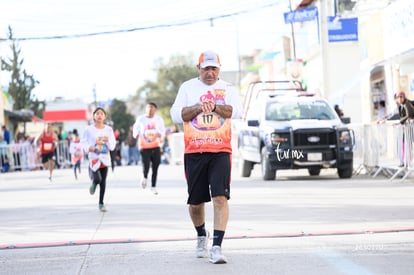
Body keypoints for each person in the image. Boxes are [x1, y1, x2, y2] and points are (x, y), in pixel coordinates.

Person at [170, 50, 242, 264]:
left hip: (220, 150)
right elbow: (176, 115)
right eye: (206, 68)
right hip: (194, 152)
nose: (209, 73)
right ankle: (202, 235)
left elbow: (237, 111)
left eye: (214, 68)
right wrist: (198, 108)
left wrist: (216, 107)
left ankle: (217, 246)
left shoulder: (228, 88)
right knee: (195, 203)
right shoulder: (187, 88)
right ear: (198, 69)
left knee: (220, 197)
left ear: (219, 69)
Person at [80, 107, 116, 212]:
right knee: (97, 179)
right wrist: (89, 147)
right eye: (97, 113)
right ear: (94, 116)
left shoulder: (108, 129)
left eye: (102, 114)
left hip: (105, 158)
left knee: (103, 181)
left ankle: (101, 203)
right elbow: (83, 142)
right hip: (94, 158)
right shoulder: (88, 129)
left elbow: (112, 145)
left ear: (104, 117)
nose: (99, 115)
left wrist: (108, 141)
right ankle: (93, 184)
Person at [132, 102, 165, 195]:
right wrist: (136, 134)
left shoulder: (159, 119)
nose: (150, 109)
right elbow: (135, 128)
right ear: (146, 109)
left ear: (155, 109)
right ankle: (145, 176)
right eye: (148, 107)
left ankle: (153, 186)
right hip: (144, 146)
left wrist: (161, 136)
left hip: (156, 145)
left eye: (152, 107)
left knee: (156, 165)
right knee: (145, 165)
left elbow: (163, 131)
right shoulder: (141, 119)